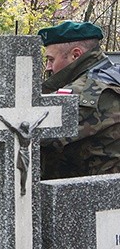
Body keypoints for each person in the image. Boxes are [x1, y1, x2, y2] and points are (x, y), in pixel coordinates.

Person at [38, 21, 120, 180]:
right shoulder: (113, 73)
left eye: (51, 59)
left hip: (97, 196)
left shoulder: (84, 92)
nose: (48, 67)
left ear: (76, 55)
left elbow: (33, 134)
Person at [0, 112, 48, 196]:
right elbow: (11, 127)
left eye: (28, 126)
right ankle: (23, 188)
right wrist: (3, 120)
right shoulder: (20, 133)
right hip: (22, 152)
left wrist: (44, 116)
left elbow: (37, 123)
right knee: (24, 170)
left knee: (25, 170)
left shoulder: (30, 131)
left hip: (27, 152)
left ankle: (23, 187)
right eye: (26, 126)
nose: (28, 127)